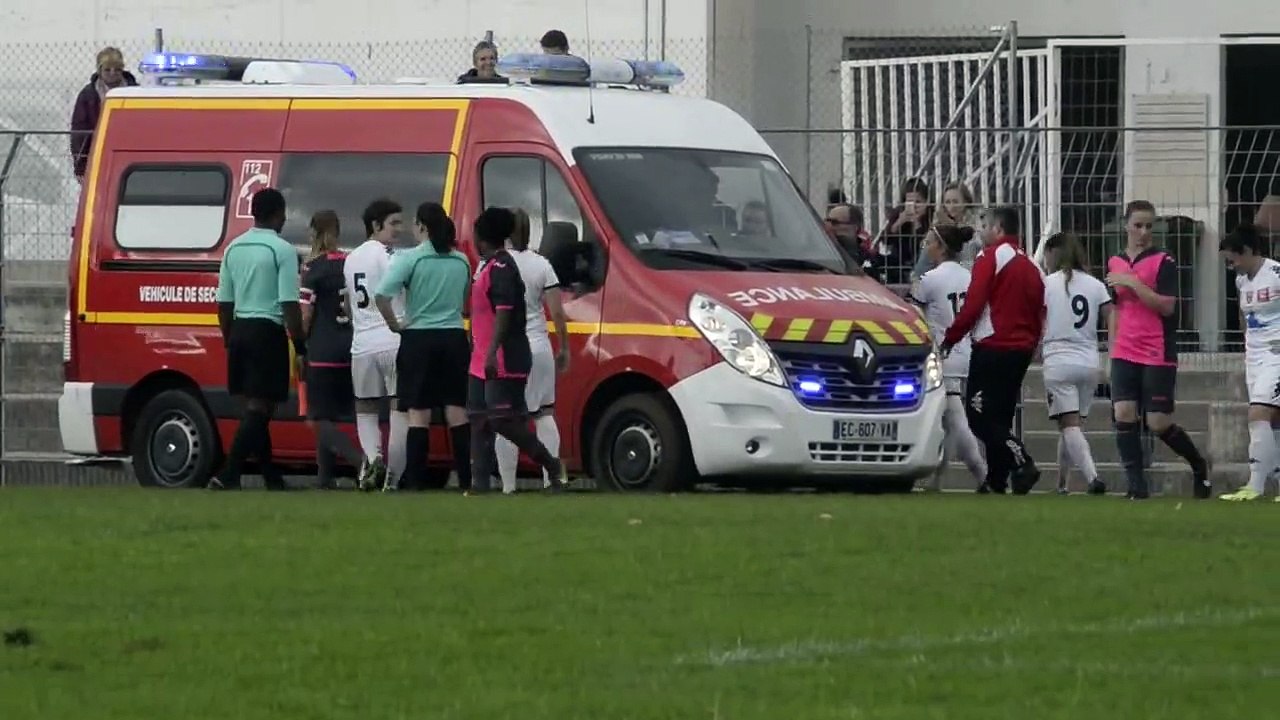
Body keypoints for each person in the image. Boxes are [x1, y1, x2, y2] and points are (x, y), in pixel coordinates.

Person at [1106, 200, 1210, 500]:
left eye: (1149, 226)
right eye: (1138, 225)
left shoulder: (1164, 260)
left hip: (1156, 349)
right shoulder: (1114, 261)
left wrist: (1133, 283)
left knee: (1157, 422)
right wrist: (1113, 348)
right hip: (1125, 349)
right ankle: (1136, 488)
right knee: (1123, 413)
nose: (1143, 232)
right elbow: (1114, 307)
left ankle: (1198, 465)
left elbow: (1166, 306)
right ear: (1126, 225)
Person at [942, 206, 1045, 495]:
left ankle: (1022, 461)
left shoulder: (990, 257)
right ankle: (997, 480)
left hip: (993, 346)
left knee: (979, 417)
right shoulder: (1031, 265)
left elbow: (974, 304)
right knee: (1001, 415)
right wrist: (1033, 342)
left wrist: (952, 337)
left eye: (984, 224)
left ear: (998, 229)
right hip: (1021, 349)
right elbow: (1040, 310)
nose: (980, 230)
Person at [467, 207, 569, 495]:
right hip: (483, 354)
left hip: (503, 354)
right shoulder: (486, 266)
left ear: (483, 238)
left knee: (504, 420)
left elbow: (504, 311)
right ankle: (480, 484)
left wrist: (492, 350)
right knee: (478, 418)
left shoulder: (503, 267)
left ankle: (549, 465)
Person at [209, 188, 303, 491]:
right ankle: (229, 473)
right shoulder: (282, 250)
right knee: (261, 407)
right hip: (267, 330)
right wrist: (300, 345)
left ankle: (271, 477)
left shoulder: (234, 249)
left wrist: (228, 337)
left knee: (255, 406)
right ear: (279, 214)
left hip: (239, 328)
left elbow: (223, 302)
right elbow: (289, 302)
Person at [374, 202, 473, 492]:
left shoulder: (410, 259)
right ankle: (467, 480)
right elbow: (465, 298)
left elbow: (382, 295)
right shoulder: (461, 260)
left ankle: (416, 482)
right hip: (453, 337)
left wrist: (395, 324)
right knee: (457, 411)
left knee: (419, 412)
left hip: (419, 338)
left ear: (422, 227)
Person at [908, 224, 988, 490]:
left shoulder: (930, 279)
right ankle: (937, 480)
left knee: (954, 417)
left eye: (929, 242)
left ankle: (982, 473)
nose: (925, 246)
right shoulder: (969, 277)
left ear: (940, 247)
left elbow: (915, 318)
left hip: (944, 353)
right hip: (967, 351)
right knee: (949, 420)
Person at [298, 210, 367, 490]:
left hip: (323, 349)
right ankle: (325, 477)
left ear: (315, 232)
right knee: (331, 414)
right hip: (349, 346)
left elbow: (305, 315)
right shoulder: (349, 263)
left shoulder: (312, 268)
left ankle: (361, 461)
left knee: (316, 418)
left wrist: (298, 344)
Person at [1039, 232, 1112, 495]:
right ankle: (1062, 482)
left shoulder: (1046, 284)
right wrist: (1110, 352)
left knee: (1068, 424)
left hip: (1059, 359)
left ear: (1053, 255)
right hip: (1088, 360)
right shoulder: (1095, 286)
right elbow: (1110, 315)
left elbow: (1038, 319)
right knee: (1072, 425)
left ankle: (1093, 477)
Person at [344, 199, 409, 491]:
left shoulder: (351, 258)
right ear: (375, 225)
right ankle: (392, 478)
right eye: (394, 223)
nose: (399, 229)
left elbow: (347, 303)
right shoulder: (390, 256)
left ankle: (373, 460)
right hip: (392, 338)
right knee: (399, 408)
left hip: (362, 343)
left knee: (366, 408)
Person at [1218, 224, 1280, 502]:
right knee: (1273, 420)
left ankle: (1254, 485)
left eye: (1232, 260)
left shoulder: (1276, 274)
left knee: (1258, 414)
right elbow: (1246, 319)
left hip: (1277, 355)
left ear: (1246, 251)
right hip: (1254, 357)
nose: (1230, 266)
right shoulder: (1242, 281)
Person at [70, 47, 137, 183]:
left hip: (128, 153)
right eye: (107, 69)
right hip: (98, 151)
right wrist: (80, 166)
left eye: (117, 69)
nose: (112, 73)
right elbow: (80, 132)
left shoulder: (135, 92)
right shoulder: (88, 95)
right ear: (99, 70)